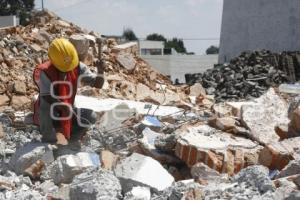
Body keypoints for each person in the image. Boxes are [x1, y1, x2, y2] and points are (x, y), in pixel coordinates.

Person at [33, 38, 103, 145]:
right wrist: (62, 105)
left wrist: (101, 71)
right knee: (45, 107)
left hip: (67, 110)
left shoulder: (77, 66)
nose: (67, 70)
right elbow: (47, 96)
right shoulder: (45, 71)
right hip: (51, 112)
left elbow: (98, 84)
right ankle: (48, 139)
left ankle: (71, 139)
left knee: (91, 116)